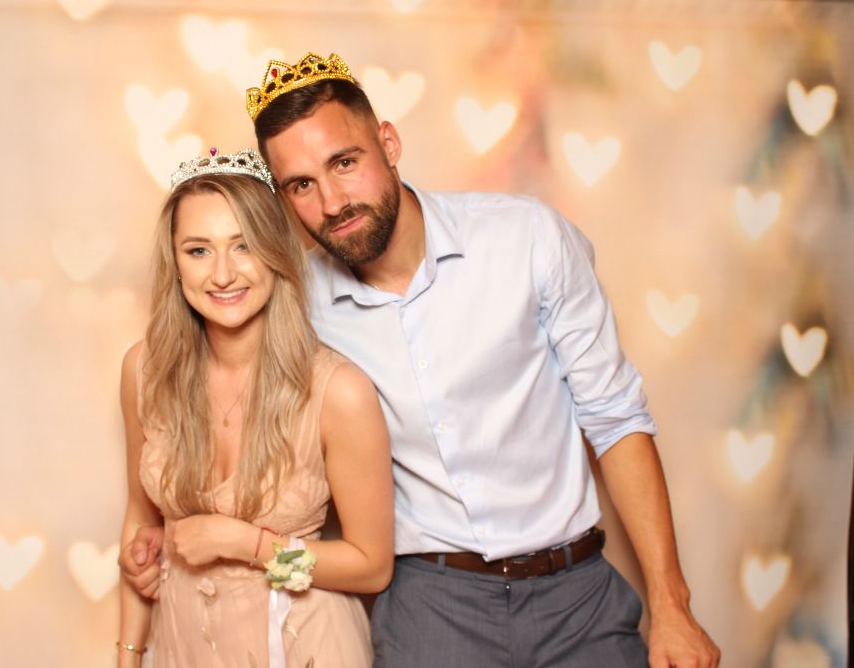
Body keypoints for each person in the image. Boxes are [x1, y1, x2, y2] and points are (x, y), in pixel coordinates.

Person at [122, 54, 720, 667]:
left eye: (344, 163)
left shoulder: (527, 240)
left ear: (389, 142)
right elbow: (214, 394)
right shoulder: (291, 300)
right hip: (429, 603)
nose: (332, 201)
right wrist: (163, 541)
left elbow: (616, 419)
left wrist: (671, 604)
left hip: (577, 593)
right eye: (301, 185)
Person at [116, 147, 394, 668]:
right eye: (199, 250)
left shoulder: (338, 391)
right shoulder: (144, 371)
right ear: (175, 263)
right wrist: (128, 653)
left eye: (243, 245)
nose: (222, 274)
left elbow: (370, 568)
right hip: (182, 645)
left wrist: (248, 545)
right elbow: (140, 520)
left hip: (302, 646)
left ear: (276, 252)